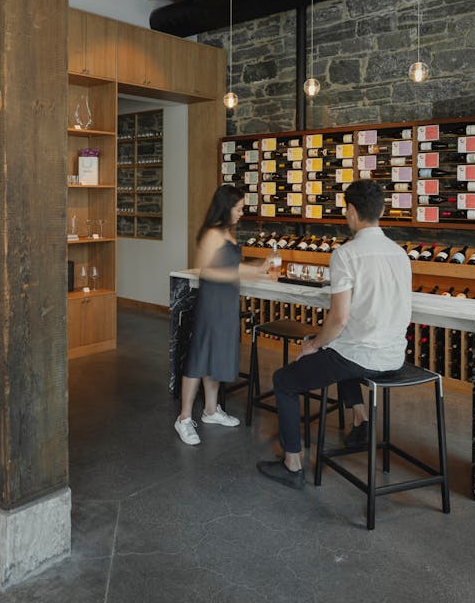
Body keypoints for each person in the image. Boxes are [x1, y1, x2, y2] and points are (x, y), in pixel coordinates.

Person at [256, 179, 412, 488]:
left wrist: (313, 343)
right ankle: (360, 419)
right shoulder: (400, 254)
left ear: (352, 211)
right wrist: (324, 341)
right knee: (339, 348)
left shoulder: (347, 254)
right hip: (394, 356)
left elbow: (339, 318)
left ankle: (292, 464)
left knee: (284, 381)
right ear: (381, 211)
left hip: (361, 358)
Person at [175, 184, 263, 446]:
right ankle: (183, 418)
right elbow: (205, 272)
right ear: (226, 208)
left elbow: (230, 266)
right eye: (238, 208)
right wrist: (243, 272)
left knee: (215, 354)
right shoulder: (212, 234)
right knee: (200, 356)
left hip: (227, 303)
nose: (241, 213)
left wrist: (255, 269)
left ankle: (211, 410)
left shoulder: (227, 232)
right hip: (212, 303)